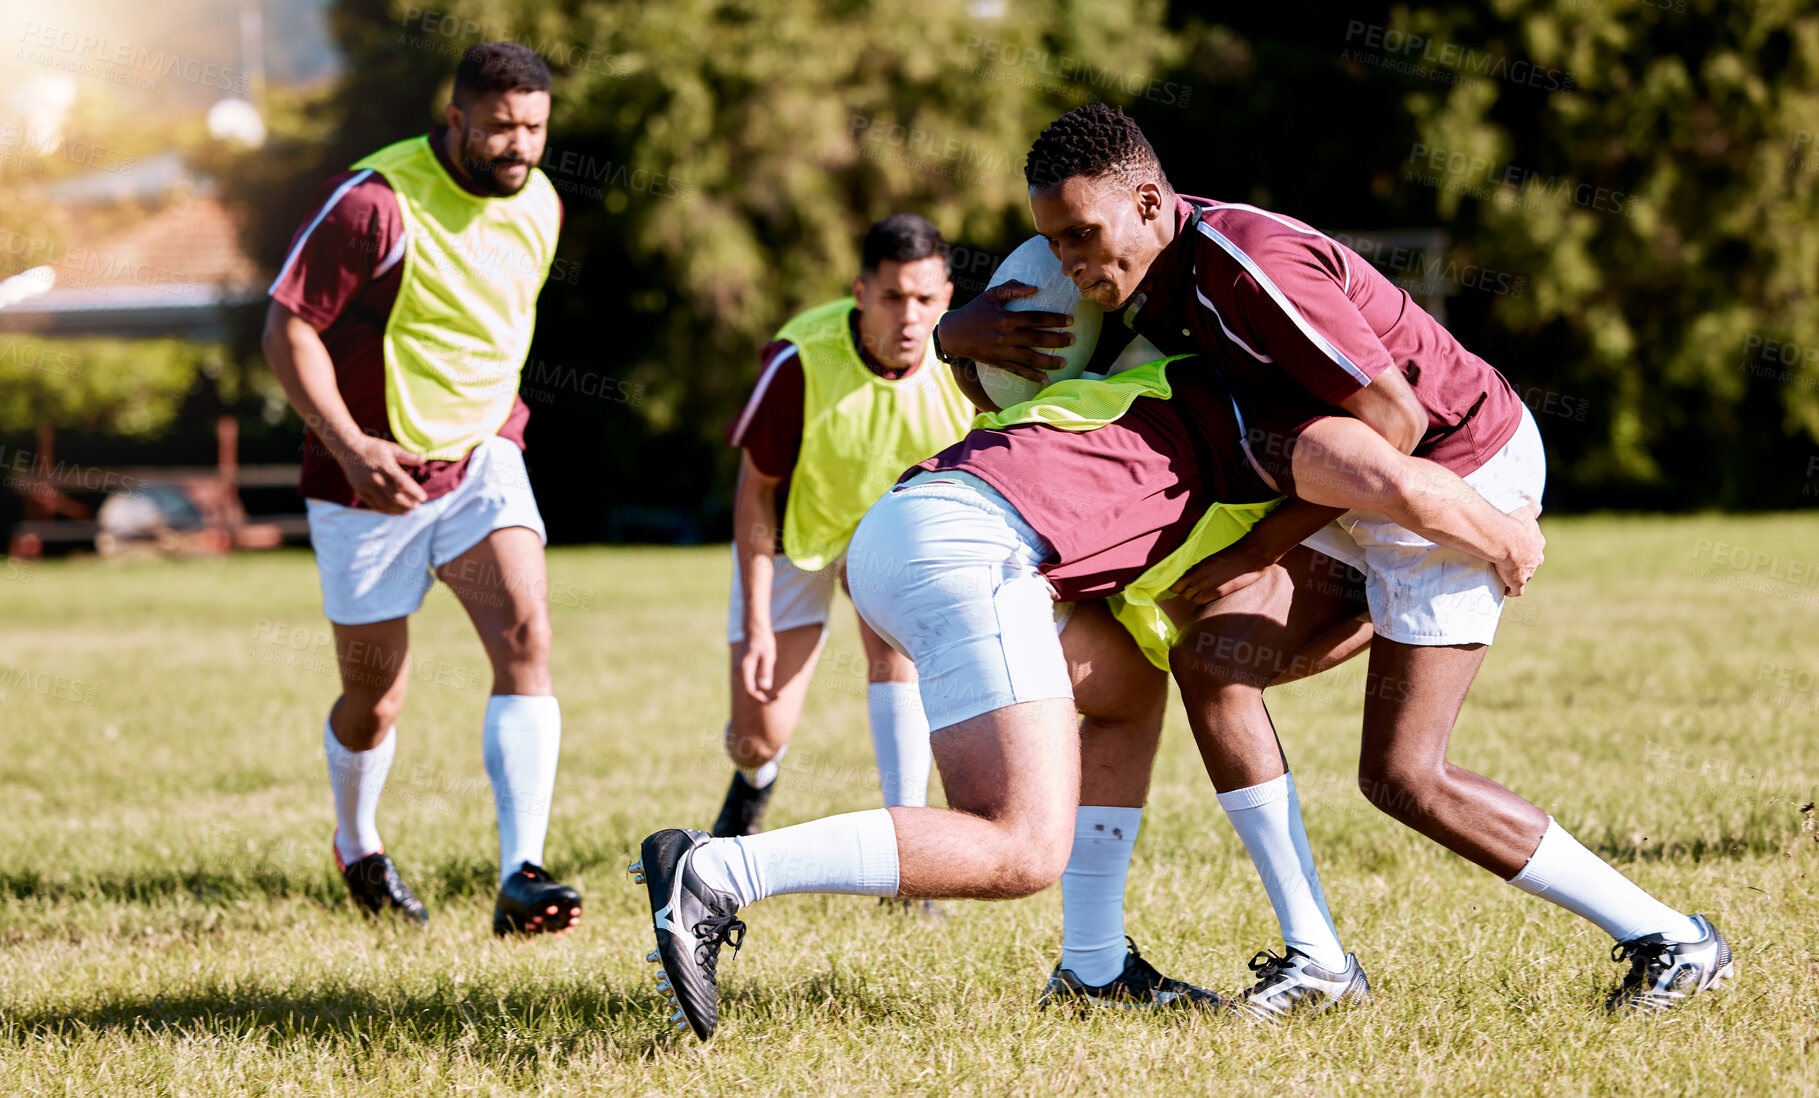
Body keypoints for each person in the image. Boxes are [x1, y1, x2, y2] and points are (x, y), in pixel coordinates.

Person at [936, 104, 1733, 1016]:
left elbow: (1392, 427)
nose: (1070, 267)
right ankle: (1315, 958)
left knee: (1402, 777)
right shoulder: (1133, 275)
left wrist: (1263, 543)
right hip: (1351, 483)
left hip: (1454, 472)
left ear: (1150, 203)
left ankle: (1672, 938)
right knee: (1211, 664)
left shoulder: (1249, 265)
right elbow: (1029, 389)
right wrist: (948, 341)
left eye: (1082, 238)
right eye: (1053, 244)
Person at [630, 354, 1531, 1040]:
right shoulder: (1289, 427)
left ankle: (1094, 967)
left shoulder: (1153, 378)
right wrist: (1507, 534)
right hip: (968, 554)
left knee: (1128, 689)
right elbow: (1409, 485)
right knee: (1020, 846)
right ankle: (716, 873)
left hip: (920, 525)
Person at [262, 43, 580, 937]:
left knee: (526, 630)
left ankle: (522, 872)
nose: (519, 146)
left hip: (481, 460)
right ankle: (357, 842)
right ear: (456, 120)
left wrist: (489, 430)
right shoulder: (371, 206)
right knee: (376, 700)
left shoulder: (543, 204)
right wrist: (352, 444)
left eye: (535, 128)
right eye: (501, 127)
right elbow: (287, 331)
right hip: (366, 483)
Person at [713, 214, 973, 838]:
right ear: (860, 294)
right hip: (794, 537)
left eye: (925, 299)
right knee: (755, 738)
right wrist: (755, 626)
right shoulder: (800, 360)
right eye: (892, 298)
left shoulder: (971, 366)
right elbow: (756, 491)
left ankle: (907, 847)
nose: (909, 317)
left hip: (887, 536)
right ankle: (754, 781)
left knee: (894, 656)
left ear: (947, 298)